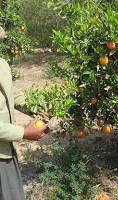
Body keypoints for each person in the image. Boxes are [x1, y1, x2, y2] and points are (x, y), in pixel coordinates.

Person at [0, 26, 48, 200]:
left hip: (5, 150)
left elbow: (12, 93)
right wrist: (24, 133)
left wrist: (36, 108)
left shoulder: (2, 64)